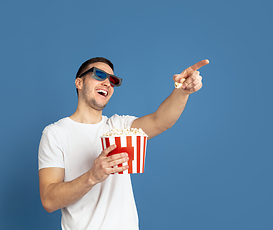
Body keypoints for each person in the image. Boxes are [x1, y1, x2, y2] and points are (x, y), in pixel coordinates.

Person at [38, 57, 209, 230]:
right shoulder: (55, 133)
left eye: (113, 80)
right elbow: (49, 200)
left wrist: (182, 91)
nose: (107, 83)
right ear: (79, 82)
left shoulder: (120, 127)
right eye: (99, 74)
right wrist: (92, 176)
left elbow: (160, 121)